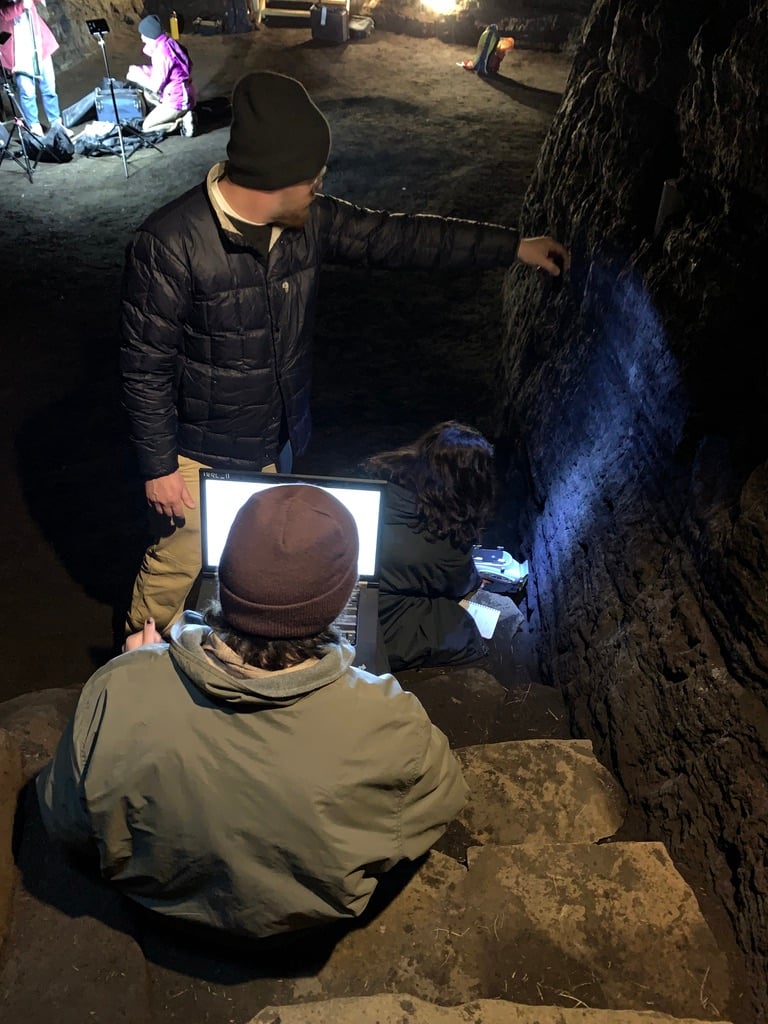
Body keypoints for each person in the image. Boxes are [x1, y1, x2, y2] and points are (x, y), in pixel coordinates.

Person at [120, 69, 570, 636]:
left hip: (278, 440)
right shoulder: (169, 245)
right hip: (198, 455)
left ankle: (227, 663)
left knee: (251, 562)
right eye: (312, 175)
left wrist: (514, 247)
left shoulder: (308, 223)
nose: (320, 184)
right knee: (175, 569)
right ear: (276, 177)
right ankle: (131, 675)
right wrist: (159, 466)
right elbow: (144, 367)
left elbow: (400, 238)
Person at [36, 484, 468, 940]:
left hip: (158, 918)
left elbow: (66, 822)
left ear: (223, 582)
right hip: (302, 936)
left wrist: (137, 670)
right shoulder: (392, 724)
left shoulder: (115, 690)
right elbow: (440, 804)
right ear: (342, 602)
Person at [363, 421, 524, 671]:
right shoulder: (443, 544)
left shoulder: (381, 476)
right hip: (374, 614)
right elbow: (459, 585)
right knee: (456, 627)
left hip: (342, 578)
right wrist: (473, 577)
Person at [0, 0, 67, 137]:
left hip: (40, 46)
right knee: (27, 93)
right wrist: (21, 5)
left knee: (49, 89)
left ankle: (57, 124)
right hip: (19, 52)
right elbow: (3, 14)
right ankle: (34, 127)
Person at [126, 14, 196, 137]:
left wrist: (137, 77)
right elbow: (168, 70)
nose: (142, 38)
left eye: (143, 35)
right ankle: (180, 113)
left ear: (150, 35)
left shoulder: (161, 53)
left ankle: (180, 122)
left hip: (178, 100)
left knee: (147, 127)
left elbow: (155, 86)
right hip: (185, 92)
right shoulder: (169, 43)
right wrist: (142, 70)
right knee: (146, 94)